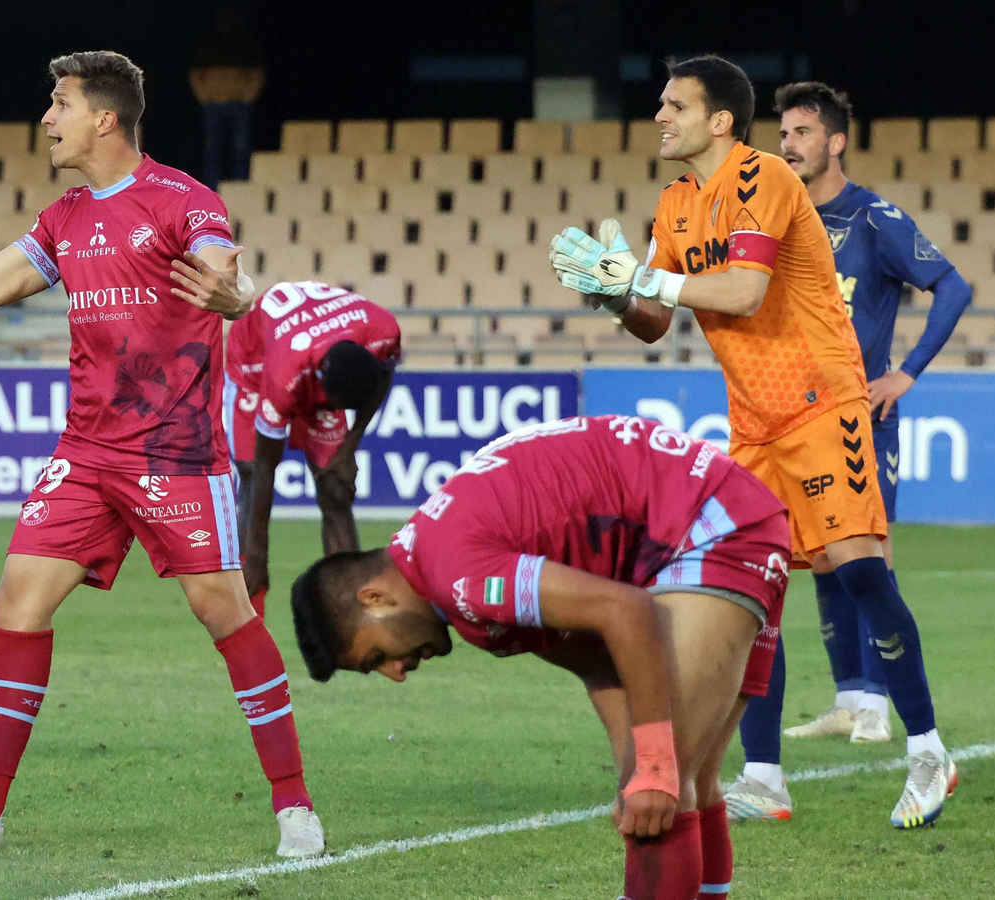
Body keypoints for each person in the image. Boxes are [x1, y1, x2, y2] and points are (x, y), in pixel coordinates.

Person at [0, 50, 326, 858]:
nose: (47, 117)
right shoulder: (66, 217)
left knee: (223, 613)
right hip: (86, 453)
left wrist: (239, 295)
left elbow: (224, 270)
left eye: (60, 102)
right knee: (19, 602)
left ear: (105, 117)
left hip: (172, 453)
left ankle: (295, 808)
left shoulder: (184, 200)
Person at [548, 55, 957, 830]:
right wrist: (612, 293)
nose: (660, 116)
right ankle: (764, 777)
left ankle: (930, 753)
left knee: (861, 574)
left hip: (823, 403)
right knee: (750, 593)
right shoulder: (675, 201)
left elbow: (743, 289)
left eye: (676, 104)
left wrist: (644, 277)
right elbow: (654, 323)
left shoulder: (762, 176)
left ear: (721, 120)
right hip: (754, 425)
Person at [290, 415, 791, 900]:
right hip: (726, 515)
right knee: (689, 782)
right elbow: (600, 659)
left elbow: (625, 610)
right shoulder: (447, 578)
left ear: (374, 598)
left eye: (377, 656)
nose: (395, 673)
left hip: (712, 528)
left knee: (664, 790)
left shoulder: (458, 578)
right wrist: (633, 765)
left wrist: (652, 764)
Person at [718, 81, 974, 817]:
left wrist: (907, 371)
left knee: (863, 570)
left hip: (849, 421)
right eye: (782, 131)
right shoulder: (771, 216)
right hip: (773, 426)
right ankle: (781, 761)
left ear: (835, 141)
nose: (787, 143)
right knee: (775, 578)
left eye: (801, 131)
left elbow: (951, 286)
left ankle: (913, 738)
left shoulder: (872, 218)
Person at [224, 280, 401, 616]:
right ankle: (250, 600)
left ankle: (351, 610)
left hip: (311, 342)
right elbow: (265, 467)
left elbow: (383, 377)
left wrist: (350, 447)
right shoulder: (282, 378)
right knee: (249, 478)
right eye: (336, 406)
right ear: (321, 385)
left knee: (335, 487)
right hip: (255, 361)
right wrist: (260, 557)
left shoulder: (384, 331)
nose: (337, 412)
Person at [189, 5, 266, 187]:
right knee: (212, 151)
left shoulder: (246, 43)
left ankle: (240, 187)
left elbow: (257, 75)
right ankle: (211, 189)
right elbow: (195, 75)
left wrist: (247, 98)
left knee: (240, 150)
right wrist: (205, 98)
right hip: (213, 106)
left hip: (239, 105)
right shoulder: (208, 43)